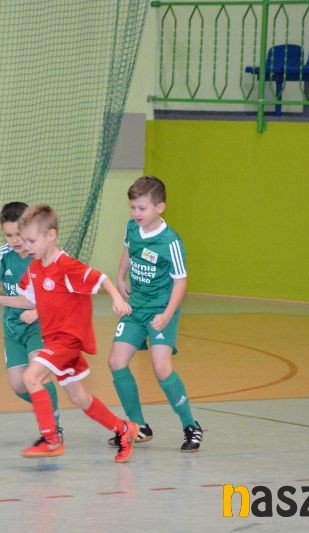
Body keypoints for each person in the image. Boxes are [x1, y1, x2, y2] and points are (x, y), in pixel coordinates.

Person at [0, 204, 140, 462]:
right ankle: (124, 429)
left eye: (31, 241)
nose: (26, 246)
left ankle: (51, 439)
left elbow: (100, 278)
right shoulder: (35, 268)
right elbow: (28, 300)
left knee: (31, 377)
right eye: (23, 240)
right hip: (55, 339)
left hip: (67, 339)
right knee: (79, 396)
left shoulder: (66, 266)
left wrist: (117, 299)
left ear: (50, 235)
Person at [107, 176, 203, 452]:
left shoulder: (170, 241)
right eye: (133, 208)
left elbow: (180, 282)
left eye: (142, 208)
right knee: (116, 362)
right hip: (135, 307)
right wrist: (120, 276)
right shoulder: (132, 228)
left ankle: (191, 426)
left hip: (161, 310)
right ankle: (138, 426)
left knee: (161, 368)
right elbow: (128, 249)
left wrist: (167, 314)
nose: (136, 213)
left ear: (160, 207)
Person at [0, 202, 62, 441]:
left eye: (18, 234)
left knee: (35, 375)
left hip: (40, 325)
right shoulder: (3, 254)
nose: (14, 241)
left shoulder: (41, 255)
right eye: (8, 235)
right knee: (18, 385)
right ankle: (46, 407)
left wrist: (38, 311)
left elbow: (56, 294)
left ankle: (52, 427)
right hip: (13, 327)